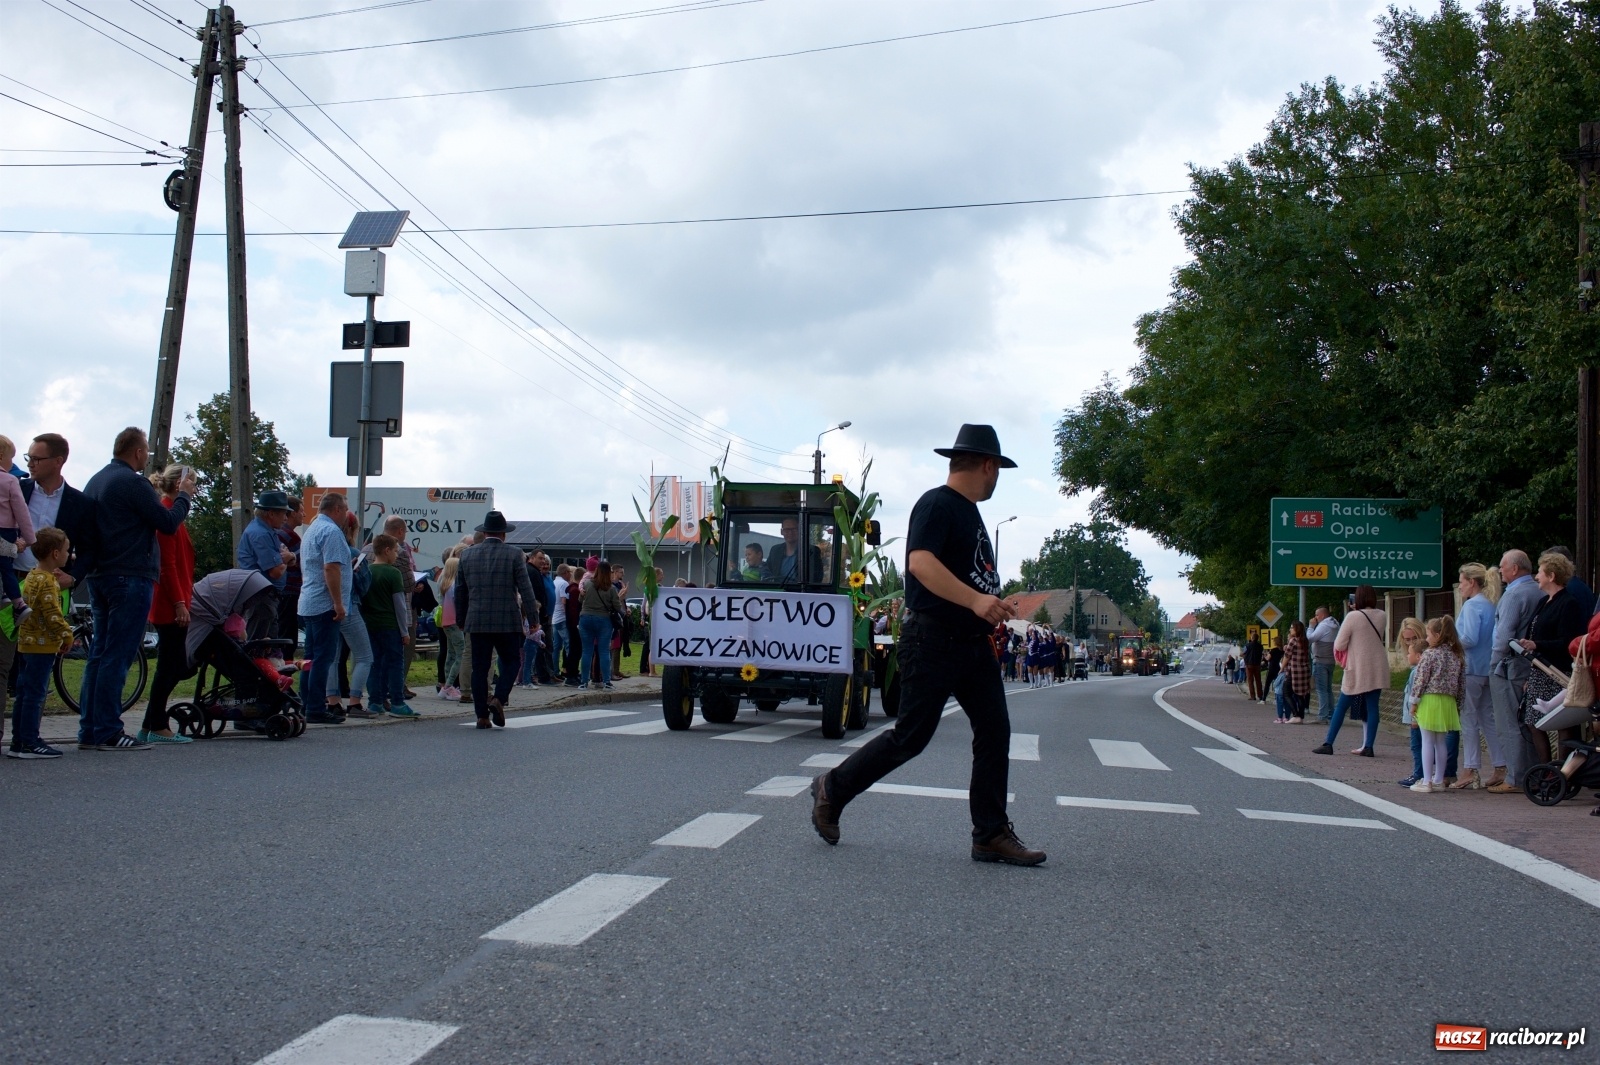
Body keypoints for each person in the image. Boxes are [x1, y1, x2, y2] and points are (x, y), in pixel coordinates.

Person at [811, 424, 1044, 866]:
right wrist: (976, 600)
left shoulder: (969, 512)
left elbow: (965, 573)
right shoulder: (938, 503)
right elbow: (920, 564)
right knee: (910, 738)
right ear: (988, 466)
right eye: (998, 471)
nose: (997, 479)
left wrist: (990, 603)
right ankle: (832, 788)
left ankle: (990, 833)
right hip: (933, 639)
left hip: (971, 643)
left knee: (995, 732)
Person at [78, 428, 195, 751]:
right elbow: (167, 522)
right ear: (138, 452)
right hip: (129, 575)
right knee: (118, 655)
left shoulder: (96, 480)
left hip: (100, 574)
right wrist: (184, 496)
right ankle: (108, 730)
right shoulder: (133, 483)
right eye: (146, 452)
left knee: (99, 654)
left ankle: (90, 729)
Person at [454, 511, 539, 728]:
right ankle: (498, 699)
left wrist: (461, 618)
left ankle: (481, 716)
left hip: (477, 620)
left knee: (479, 668)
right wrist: (533, 618)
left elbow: (460, 591)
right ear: (504, 533)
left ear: (484, 532)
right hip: (506, 619)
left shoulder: (467, 555)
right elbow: (526, 589)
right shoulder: (515, 554)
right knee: (511, 661)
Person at [1514, 550, 1588, 767]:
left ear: (1552, 576)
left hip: (1557, 671)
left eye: (1540, 572)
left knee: (1562, 722)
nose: (1537, 576)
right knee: (1532, 721)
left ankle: (1561, 770)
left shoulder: (1568, 603)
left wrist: (1537, 644)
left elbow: (1567, 641)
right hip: (1539, 669)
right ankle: (1546, 768)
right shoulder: (1544, 601)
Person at [139, 465, 196, 744]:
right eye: (192, 483)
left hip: (175, 598)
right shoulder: (168, 516)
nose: (194, 489)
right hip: (170, 602)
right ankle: (156, 724)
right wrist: (179, 603)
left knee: (173, 664)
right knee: (171, 665)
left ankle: (151, 723)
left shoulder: (173, 515)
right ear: (179, 485)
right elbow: (168, 566)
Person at [6, 527, 74, 759]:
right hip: (42, 645)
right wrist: (66, 634)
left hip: (26, 643)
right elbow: (52, 614)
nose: (68, 555)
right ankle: (30, 741)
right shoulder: (47, 582)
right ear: (55, 553)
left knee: (24, 693)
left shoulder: (32, 576)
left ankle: (18, 740)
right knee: (36, 694)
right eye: (66, 550)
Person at [1486, 550, 1543, 793]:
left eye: (1503, 566)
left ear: (1515, 569)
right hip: (1531, 664)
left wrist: (1493, 662)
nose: (1500, 570)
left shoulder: (1514, 594)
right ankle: (1532, 772)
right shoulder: (1538, 591)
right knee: (1528, 722)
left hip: (1508, 666)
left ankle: (1515, 777)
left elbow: (1503, 636)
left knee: (1508, 721)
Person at [1313, 584, 1386, 758]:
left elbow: (1339, 644)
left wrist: (1354, 612)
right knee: (1372, 707)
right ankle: (1369, 746)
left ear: (1357, 599)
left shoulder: (1353, 616)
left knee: (1341, 706)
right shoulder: (1382, 615)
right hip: (1378, 666)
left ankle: (1329, 743)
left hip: (1357, 667)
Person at [298, 492, 352, 725]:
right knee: (323, 658)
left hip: (309, 601)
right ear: (337, 509)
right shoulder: (331, 532)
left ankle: (306, 704)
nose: (346, 515)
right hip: (324, 603)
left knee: (310, 658)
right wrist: (338, 603)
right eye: (345, 510)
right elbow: (331, 568)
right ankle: (316, 708)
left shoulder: (311, 529)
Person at [1451, 562, 1503, 789]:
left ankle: (1470, 769)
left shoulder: (1472, 606)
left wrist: (1449, 641)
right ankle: (1500, 765)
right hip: (1488, 668)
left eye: (1461, 582)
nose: (1460, 587)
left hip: (1471, 668)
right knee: (1487, 718)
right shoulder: (1491, 604)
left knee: (1469, 719)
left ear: (1471, 582)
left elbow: (1469, 638)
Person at [361, 533, 415, 717]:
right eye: (395, 551)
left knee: (374, 663)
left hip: (370, 625)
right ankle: (398, 702)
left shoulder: (368, 571)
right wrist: (404, 631)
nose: (397, 555)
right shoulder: (393, 573)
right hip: (390, 625)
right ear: (386, 551)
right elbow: (399, 605)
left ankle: (375, 701)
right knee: (395, 663)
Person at [1410, 615, 1465, 793]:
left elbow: (1421, 679)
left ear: (1437, 635)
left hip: (1430, 699)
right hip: (1448, 701)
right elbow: (1461, 683)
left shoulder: (1430, 654)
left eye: (1428, 635)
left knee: (1427, 740)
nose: (1426, 639)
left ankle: (1427, 781)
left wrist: (1414, 701)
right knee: (1441, 741)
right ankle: (1439, 779)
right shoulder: (1456, 655)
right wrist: (1459, 703)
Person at [234, 490, 293, 640]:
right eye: (283, 513)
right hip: (261, 598)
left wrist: (288, 557)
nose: (286, 518)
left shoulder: (266, 531)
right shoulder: (261, 534)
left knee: (268, 645)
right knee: (257, 644)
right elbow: (276, 572)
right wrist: (286, 559)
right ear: (271, 514)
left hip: (265, 597)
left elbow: (288, 559)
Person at [0, 435, 35, 619]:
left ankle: (5, 594)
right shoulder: (9, 481)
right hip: (6, 531)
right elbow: (22, 513)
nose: (11, 463)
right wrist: (30, 539)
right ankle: (18, 604)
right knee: (6, 567)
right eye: (11, 458)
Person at [579, 560, 624, 690]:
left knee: (586, 651)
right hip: (604, 619)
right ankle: (606, 682)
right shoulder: (611, 588)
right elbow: (617, 606)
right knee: (604, 651)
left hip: (585, 618)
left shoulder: (587, 584)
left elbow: (580, 599)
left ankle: (583, 682)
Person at [436, 553, 465, 700]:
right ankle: (449, 686)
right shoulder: (455, 586)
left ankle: (445, 686)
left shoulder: (444, 585)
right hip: (455, 622)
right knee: (461, 654)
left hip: (446, 622)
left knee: (451, 653)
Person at [762, 517, 823, 584]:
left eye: (794, 529)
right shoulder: (775, 551)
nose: (790, 533)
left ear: (800, 530)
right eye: (787, 530)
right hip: (778, 589)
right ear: (782, 532)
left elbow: (816, 577)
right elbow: (766, 570)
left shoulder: (811, 551)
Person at [1306, 606, 1339, 722]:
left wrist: (1311, 627)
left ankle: (1322, 716)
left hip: (1320, 660)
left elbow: (1310, 639)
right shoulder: (1335, 624)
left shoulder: (1323, 626)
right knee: (1328, 689)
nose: (1315, 617)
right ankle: (1331, 714)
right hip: (1330, 660)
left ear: (1323, 615)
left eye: (1317, 615)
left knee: (1321, 689)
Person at [1279, 619, 1309, 724]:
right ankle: (1301, 716)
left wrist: (1282, 668)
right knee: (1300, 694)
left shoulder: (1293, 641)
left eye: (1292, 627)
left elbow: (1287, 656)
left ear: (1297, 629)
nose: (1290, 629)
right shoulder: (1305, 641)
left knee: (1286, 692)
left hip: (1294, 671)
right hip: (1304, 671)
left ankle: (1295, 715)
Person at [1242, 634, 1264, 701]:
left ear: (1252, 638)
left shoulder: (1247, 645)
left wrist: (1245, 659)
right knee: (1258, 680)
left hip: (1249, 664)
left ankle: (1252, 696)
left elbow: (1244, 653)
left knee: (1250, 680)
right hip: (1257, 664)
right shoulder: (1260, 646)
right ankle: (1260, 695)